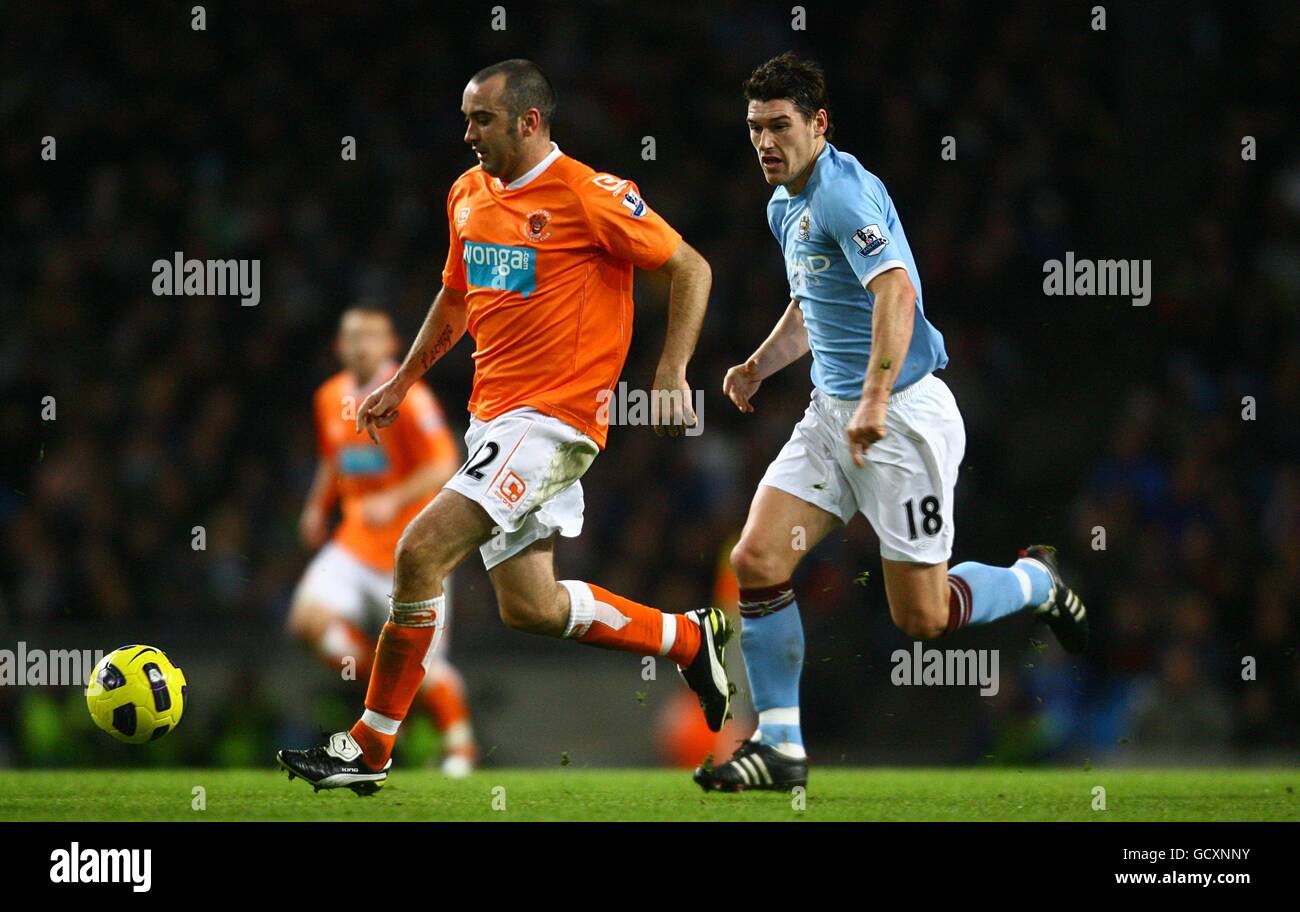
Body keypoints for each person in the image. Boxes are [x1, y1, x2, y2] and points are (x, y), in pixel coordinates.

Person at [277, 60, 729, 794]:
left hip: (554, 421)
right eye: (465, 118)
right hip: (495, 420)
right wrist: (402, 379)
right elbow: (456, 298)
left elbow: (691, 268)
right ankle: (684, 636)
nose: (467, 133)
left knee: (419, 553)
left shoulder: (590, 195)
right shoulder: (467, 195)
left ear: (528, 120)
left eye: (481, 119)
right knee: (531, 606)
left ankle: (369, 748)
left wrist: (672, 371)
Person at [695, 53, 1088, 792]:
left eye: (780, 126)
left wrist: (875, 400)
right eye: (754, 129)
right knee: (756, 561)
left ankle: (1034, 582)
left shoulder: (842, 194)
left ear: (819, 124)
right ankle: (780, 745)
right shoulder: (785, 201)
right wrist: (757, 365)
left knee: (924, 618)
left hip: (902, 417)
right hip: (832, 414)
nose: (765, 143)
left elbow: (896, 294)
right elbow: (816, 303)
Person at [287, 306, 477, 776]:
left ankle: (459, 749)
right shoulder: (328, 397)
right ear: (339, 347)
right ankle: (384, 688)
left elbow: (444, 462)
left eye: (371, 337)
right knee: (306, 620)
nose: (361, 345)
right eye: (352, 337)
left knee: (427, 671)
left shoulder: (411, 398)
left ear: (392, 346)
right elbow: (334, 458)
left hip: (412, 553)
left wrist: (393, 500)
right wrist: (316, 506)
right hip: (353, 543)